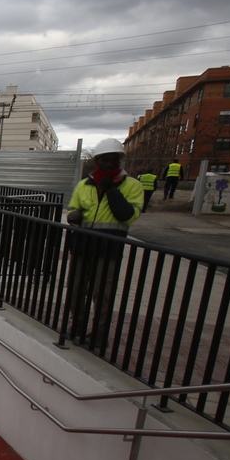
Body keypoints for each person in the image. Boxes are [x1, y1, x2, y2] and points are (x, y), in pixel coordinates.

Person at [66, 138, 143, 344]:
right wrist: (73, 215)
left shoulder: (132, 186)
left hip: (109, 247)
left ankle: (100, 333)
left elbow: (128, 215)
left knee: (103, 293)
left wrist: (112, 191)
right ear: (97, 161)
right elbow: (74, 208)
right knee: (75, 289)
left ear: (119, 161)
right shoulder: (84, 185)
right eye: (104, 160)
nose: (109, 165)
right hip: (83, 244)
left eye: (113, 160)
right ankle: (78, 325)